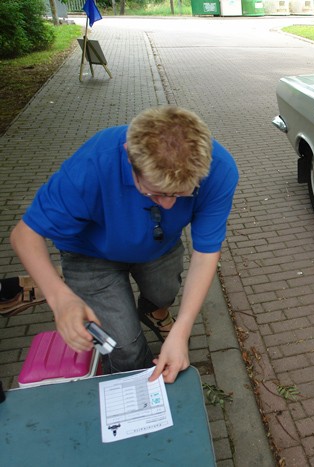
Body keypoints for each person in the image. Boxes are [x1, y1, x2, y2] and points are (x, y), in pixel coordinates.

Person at [10, 106, 239, 383]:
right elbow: (24, 235)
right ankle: (138, 390)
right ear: (130, 157)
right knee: (124, 348)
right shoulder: (92, 165)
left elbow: (204, 255)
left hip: (159, 246)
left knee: (163, 293)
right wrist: (61, 299)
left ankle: (155, 313)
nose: (168, 204)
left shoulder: (220, 169)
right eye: (156, 193)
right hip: (89, 254)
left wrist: (183, 330)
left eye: (181, 194)